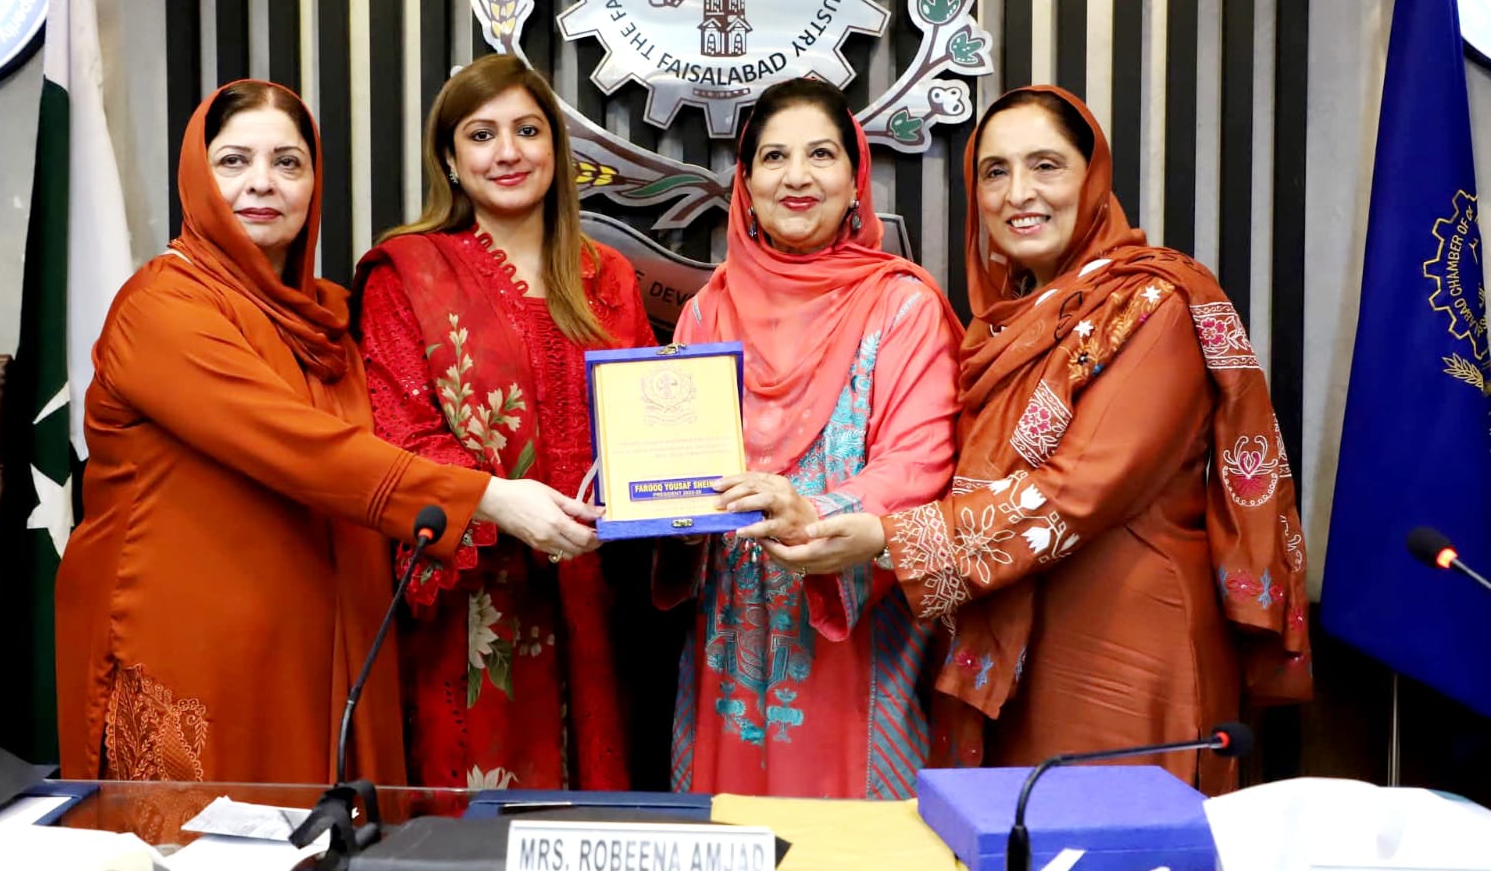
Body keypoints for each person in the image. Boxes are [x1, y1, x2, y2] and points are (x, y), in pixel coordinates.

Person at [764, 86, 1312, 795]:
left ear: (1092, 177)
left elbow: (1075, 492)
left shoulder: (1154, 306)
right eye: (995, 172)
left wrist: (886, 538)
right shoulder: (1005, 324)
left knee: (1110, 839)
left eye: (1045, 166)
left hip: (1127, 658)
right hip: (1013, 652)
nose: (1018, 193)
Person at [55, 80, 593, 787]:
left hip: (314, 651)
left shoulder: (330, 318)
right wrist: (488, 497)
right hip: (182, 647)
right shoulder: (161, 309)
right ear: (197, 176)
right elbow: (305, 451)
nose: (262, 183)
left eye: (288, 163)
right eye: (234, 161)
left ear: (314, 183)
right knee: (189, 839)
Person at [351, 54, 655, 790]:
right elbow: (400, 435)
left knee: (593, 820)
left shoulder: (607, 276)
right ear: (450, 160)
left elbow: (650, 420)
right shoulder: (406, 273)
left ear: (556, 146)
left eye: (527, 130)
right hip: (475, 612)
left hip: (599, 603)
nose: (508, 152)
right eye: (482, 135)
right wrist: (503, 503)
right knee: (477, 826)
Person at [656, 77, 964, 799]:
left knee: (847, 828)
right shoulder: (706, 311)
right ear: (746, 184)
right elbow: (673, 462)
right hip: (732, 622)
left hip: (851, 618)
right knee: (734, 822)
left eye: (821, 154)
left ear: (855, 181)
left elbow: (918, 461)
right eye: (774, 157)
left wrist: (814, 514)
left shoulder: (902, 304)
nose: (797, 176)